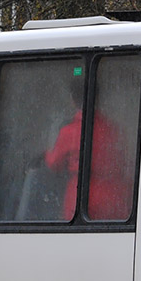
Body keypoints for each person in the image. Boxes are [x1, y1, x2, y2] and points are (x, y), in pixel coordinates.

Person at [44, 82, 132, 220]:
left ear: (73, 101)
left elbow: (55, 164)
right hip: (115, 196)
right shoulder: (113, 130)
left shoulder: (70, 131)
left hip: (82, 197)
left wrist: (46, 155)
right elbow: (125, 161)